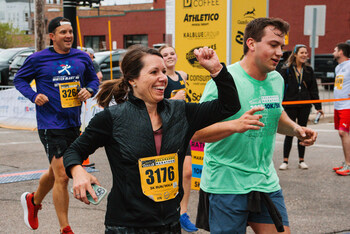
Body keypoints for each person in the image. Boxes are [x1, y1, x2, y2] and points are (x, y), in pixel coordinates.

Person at [62, 44, 241, 233]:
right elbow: (74, 151)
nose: (163, 78)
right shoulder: (112, 118)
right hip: (126, 225)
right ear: (132, 80)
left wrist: (216, 70)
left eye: (163, 71)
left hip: (170, 222)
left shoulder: (181, 112)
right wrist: (77, 171)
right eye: (154, 72)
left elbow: (229, 106)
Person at [192, 17, 317, 233]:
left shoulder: (276, 79)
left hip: (264, 180)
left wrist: (297, 130)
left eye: (282, 47)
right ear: (251, 44)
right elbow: (197, 132)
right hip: (226, 183)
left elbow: (275, 115)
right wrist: (235, 125)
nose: (280, 53)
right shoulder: (224, 80)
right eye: (273, 45)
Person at [14, 17, 99, 234]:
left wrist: (89, 90)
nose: (69, 36)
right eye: (63, 32)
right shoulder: (37, 59)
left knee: (55, 171)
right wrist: (34, 96)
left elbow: (93, 80)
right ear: (52, 36)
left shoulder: (81, 57)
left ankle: (33, 201)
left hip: (73, 122)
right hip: (50, 124)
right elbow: (19, 80)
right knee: (62, 174)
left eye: (70, 31)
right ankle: (65, 229)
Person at [158, 44, 198, 232]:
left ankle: (183, 213)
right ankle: (164, 213)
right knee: (167, 175)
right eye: (165, 55)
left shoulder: (183, 75)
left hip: (182, 128)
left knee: (187, 172)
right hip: (165, 131)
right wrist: (174, 100)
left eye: (172, 53)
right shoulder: (161, 79)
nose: (169, 56)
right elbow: (155, 104)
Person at [279, 44, 323, 170]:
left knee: (303, 132)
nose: (304, 55)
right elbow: (280, 87)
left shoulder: (308, 70)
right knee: (290, 131)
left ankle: (301, 160)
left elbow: (313, 89)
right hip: (290, 105)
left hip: (304, 105)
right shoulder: (286, 69)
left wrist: (318, 107)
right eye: (302, 53)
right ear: (295, 54)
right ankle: (285, 161)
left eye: (306, 53)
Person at [332, 43, 350, 175]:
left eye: (335, 50)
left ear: (341, 52)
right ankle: (346, 162)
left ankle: (348, 165)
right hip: (338, 105)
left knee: (343, 133)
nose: (333, 52)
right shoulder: (338, 67)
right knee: (343, 134)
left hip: (347, 106)